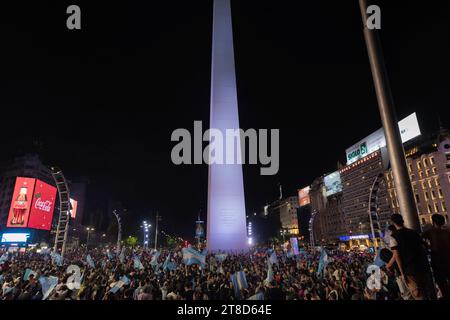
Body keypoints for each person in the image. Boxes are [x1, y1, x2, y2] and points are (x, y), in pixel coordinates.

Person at [386, 213, 433, 300]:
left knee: (418, 295)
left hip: (410, 270)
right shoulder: (413, 232)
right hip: (423, 266)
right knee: (427, 293)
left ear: (393, 223)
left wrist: (402, 273)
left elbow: (396, 255)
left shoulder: (393, 237)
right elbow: (424, 246)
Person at [422, 214, 450, 300]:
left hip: (437, 261)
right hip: (448, 260)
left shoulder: (430, 232)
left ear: (433, 222)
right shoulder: (447, 233)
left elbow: (420, 239)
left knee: (441, 284)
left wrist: (427, 246)